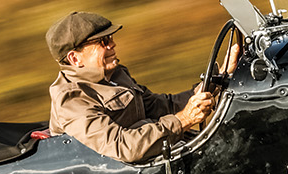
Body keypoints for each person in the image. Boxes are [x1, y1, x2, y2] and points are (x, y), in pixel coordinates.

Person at [45, 11, 217, 163]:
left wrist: (213, 82)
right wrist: (184, 120)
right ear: (75, 59)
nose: (112, 45)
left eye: (111, 38)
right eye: (103, 42)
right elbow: (123, 146)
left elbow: (159, 106)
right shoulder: (71, 100)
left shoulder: (116, 74)